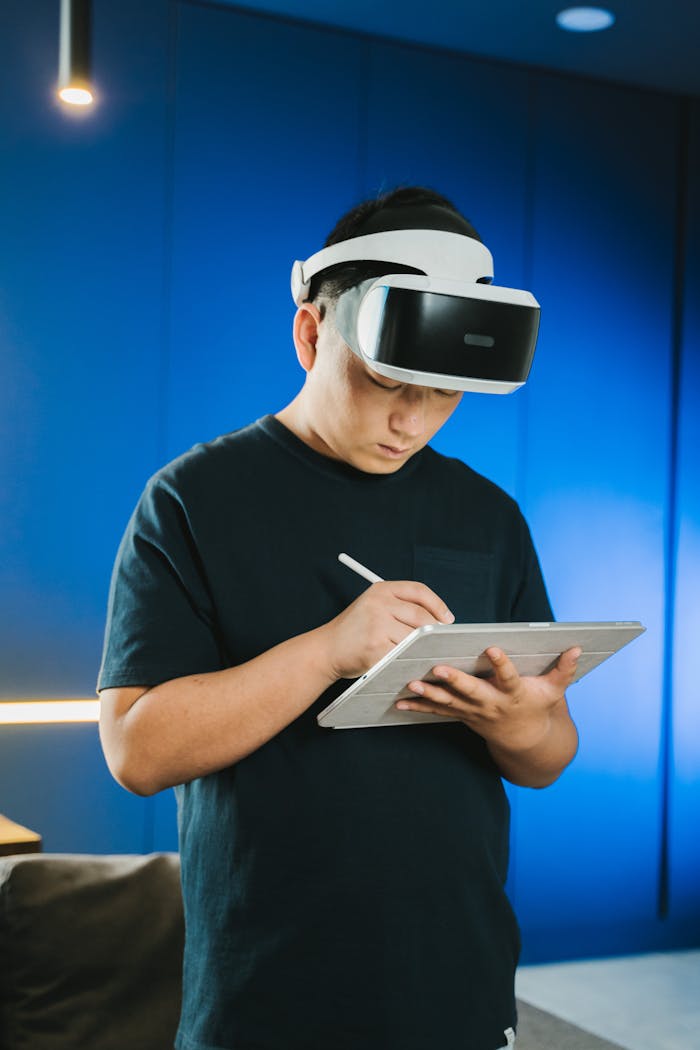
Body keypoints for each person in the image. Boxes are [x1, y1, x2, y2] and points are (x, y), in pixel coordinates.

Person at [98, 186, 579, 1050]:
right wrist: (326, 652)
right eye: (388, 382)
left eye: (444, 393)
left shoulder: (490, 516)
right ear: (312, 334)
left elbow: (547, 757)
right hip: (266, 997)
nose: (412, 420)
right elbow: (137, 751)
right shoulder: (193, 501)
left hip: (457, 986)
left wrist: (521, 725)